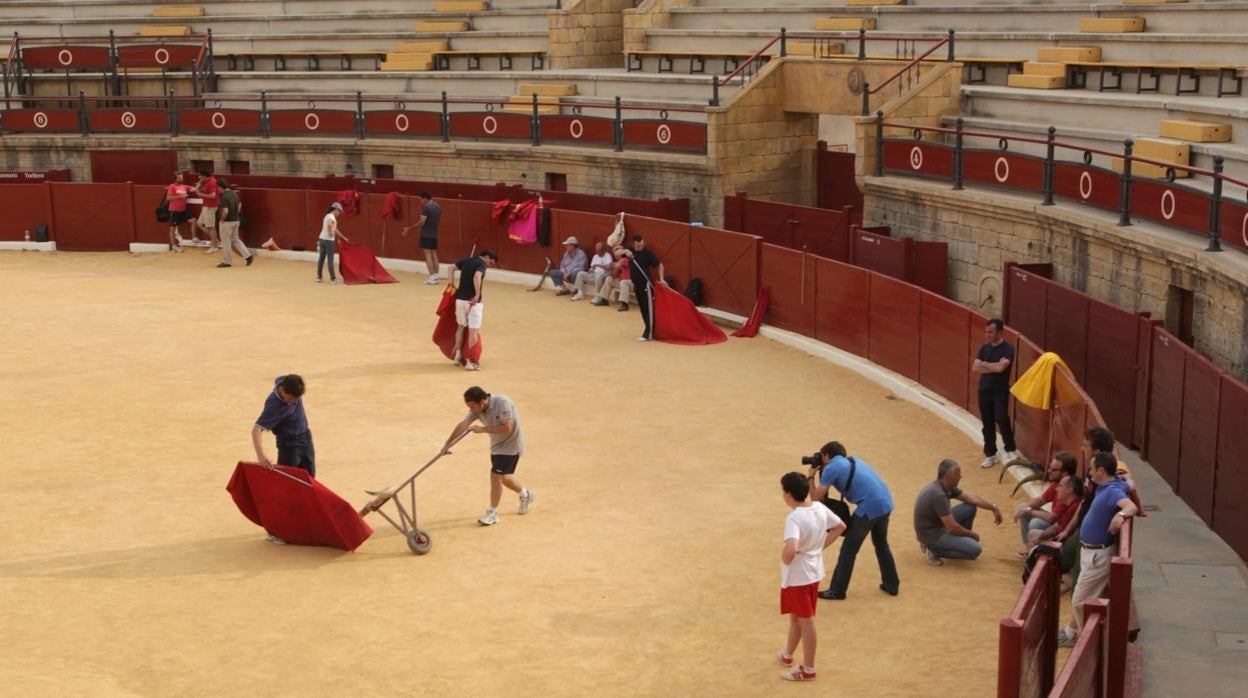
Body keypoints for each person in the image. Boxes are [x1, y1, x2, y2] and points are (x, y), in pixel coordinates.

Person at [1057, 452, 1137, 647]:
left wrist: (1120, 515)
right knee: (1086, 598)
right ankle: (1076, 634)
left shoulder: (1112, 491)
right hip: (1091, 552)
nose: (1090, 472)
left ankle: (1088, 642)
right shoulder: (1113, 485)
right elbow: (1130, 483)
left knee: (1079, 601)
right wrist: (1126, 478)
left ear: (1101, 470)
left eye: (1092, 469)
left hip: (1097, 555)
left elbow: (1130, 506)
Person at [776, 471, 845, 682]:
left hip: (798, 577)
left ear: (789, 494)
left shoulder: (794, 517)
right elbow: (840, 526)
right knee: (797, 617)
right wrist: (818, 548)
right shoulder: (819, 508)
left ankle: (808, 669)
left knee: (806, 621)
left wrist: (785, 559)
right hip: (814, 572)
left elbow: (791, 548)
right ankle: (787, 654)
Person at [808, 441, 899, 599]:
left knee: (848, 549)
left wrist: (810, 477)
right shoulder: (854, 460)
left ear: (826, 455)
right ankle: (892, 584)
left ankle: (837, 591)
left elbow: (815, 499)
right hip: (885, 502)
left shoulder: (832, 467)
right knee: (881, 544)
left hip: (869, 507)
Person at [440, 386, 534, 526]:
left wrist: (482, 429)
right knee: (505, 478)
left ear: (482, 401)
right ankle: (525, 494)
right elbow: (463, 424)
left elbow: (507, 428)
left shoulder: (503, 402)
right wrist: (447, 444)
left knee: (495, 476)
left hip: (511, 445)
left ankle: (492, 513)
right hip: (496, 446)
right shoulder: (477, 409)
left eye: (472, 406)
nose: (471, 410)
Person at [251, 374, 316, 543]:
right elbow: (256, 430)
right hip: (289, 446)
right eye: (290, 398)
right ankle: (278, 531)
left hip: (305, 438)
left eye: (296, 399)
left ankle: (302, 524)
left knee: (309, 482)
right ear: (282, 391)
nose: (292, 402)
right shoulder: (274, 405)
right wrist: (261, 456)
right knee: (286, 489)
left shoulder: (288, 383)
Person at [913, 458, 1003, 565]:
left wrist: (993, 507)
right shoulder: (938, 495)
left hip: (938, 524)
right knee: (975, 550)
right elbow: (953, 527)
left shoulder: (945, 485)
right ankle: (933, 549)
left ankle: (957, 542)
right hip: (932, 535)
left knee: (970, 507)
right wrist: (972, 535)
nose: (961, 476)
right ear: (948, 476)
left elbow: (972, 498)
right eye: (957, 474)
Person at [1012, 451, 1078, 557]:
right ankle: (1029, 549)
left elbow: (1051, 518)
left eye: (1053, 470)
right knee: (1023, 507)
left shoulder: (1068, 492)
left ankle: (1034, 552)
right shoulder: (1058, 484)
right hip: (1056, 525)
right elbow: (1040, 500)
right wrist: (1027, 509)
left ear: (1065, 474)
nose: (1049, 471)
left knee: (1035, 523)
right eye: (1050, 467)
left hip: (1061, 530)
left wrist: (1030, 511)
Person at [973, 318, 1018, 468]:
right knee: (987, 422)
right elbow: (975, 368)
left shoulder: (1008, 349)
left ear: (999, 332)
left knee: (1001, 417)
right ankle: (991, 454)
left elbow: (1000, 369)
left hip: (1000, 390)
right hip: (984, 390)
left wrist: (984, 364)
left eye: (991, 332)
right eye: (986, 332)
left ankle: (1010, 449)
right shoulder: (984, 348)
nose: (987, 335)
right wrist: (994, 366)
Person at [452, 250, 498, 371]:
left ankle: (457, 356)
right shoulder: (481, 264)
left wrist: (451, 284)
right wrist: (477, 294)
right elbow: (477, 276)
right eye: (491, 263)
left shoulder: (466, 260)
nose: (489, 265)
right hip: (472, 302)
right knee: (473, 331)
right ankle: (471, 361)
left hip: (460, 300)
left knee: (460, 327)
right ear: (487, 257)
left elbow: (450, 268)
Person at [620, 235, 666, 341]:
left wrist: (662, 279)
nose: (640, 247)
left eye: (642, 245)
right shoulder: (630, 250)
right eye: (638, 246)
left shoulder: (648, 253)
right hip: (636, 284)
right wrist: (625, 251)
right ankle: (649, 331)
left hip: (646, 285)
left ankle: (648, 333)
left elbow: (659, 265)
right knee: (642, 308)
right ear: (634, 244)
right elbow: (617, 253)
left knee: (648, 309)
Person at [215, 179, 253, 268]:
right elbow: (240, 204)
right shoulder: (233, 193)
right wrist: (236, 213)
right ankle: (248, 256)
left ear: (220, 187)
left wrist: (222, 219)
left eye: (217, 187)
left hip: (227, 222)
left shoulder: (224, 196)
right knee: (236, 239)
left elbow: (225, 210)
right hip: (236, 220)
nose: (217, 189)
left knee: (226, 241)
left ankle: (227, 261)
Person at [590, 246, 634, 311]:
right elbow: (614, 272)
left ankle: (624, 304)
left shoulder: (625, 259)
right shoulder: (620, 260)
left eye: (615, 253)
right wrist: (612, 276)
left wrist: (601, 265)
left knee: (623, 282)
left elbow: (614, 266)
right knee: (608, 279)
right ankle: (604, 300)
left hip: (632, 284)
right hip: (623, 283)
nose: (614, 255)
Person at [316, 202, 349, 284]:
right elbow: (330, 224)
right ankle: (333, 279)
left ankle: (319, 277)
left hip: (322, 238)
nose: (339, 214)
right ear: (335, 210)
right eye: (339, 211)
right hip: (328, 241)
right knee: (330, 260)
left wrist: (343, 237)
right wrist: (330, 233)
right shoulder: (332, 217)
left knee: (321, 259)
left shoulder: (327, 216)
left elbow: (335, 229)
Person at [416, 191, 443, 285]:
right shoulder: (438, 206)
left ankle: (431, 276)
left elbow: (422, 222)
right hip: (434, 234)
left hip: (426, 234)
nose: (420, 201)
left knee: (428, 255)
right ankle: (436, 276)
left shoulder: (426, 207)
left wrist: (411, 227)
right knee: (434, 254)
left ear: (425, 198)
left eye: (421, 199)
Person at [191, 170, 221, 254]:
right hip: (206, 206)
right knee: (199, 224)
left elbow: (213, 195)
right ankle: (215, 240)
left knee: (211, 227)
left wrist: (201, 195)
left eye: (200, 176)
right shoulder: (207, 181)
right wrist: (199, 183)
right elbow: (196, 189)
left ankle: (214, 246)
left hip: (210, 207)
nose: (199, 177)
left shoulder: (212, 182)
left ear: (204, 176)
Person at [165, 171, 191, 252]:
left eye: (182, 177)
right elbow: (168, 198)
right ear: (175, 179)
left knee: (193, 220)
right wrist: (181, 196)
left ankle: (194, 238)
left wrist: (200, 182)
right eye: (179, 178)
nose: (181, 179)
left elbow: (194, 189)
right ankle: (174, 246)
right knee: (172, 228)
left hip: (183, 210)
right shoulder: (172, 186)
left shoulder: (184, 186)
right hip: (174, 210)